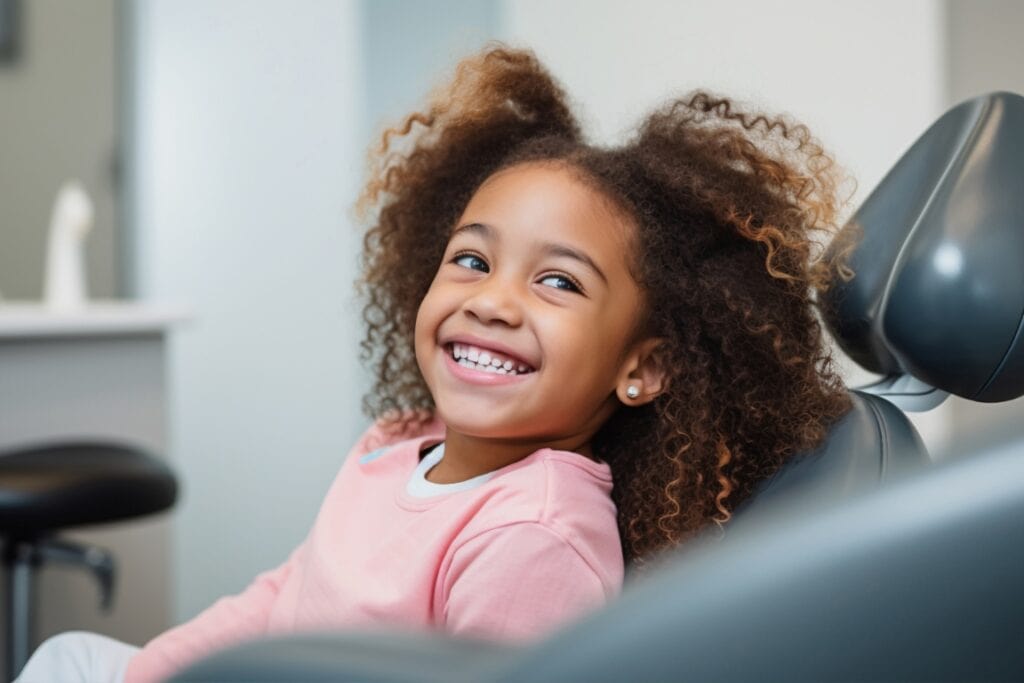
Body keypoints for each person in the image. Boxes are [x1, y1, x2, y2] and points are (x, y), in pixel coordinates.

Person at [15, 45, 852, 683]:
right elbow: (281, 594)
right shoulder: (392, 444)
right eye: (472, 260)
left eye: (558, 281)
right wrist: (154, 670)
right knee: (68, 656)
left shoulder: (534, 535)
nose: (492, 300)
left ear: (645, 367)